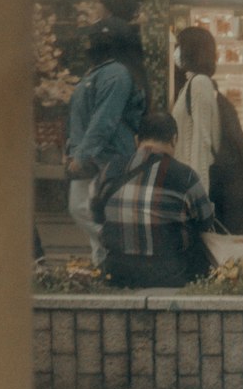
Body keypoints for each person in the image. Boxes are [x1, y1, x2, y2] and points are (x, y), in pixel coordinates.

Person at [90, 105, 222, 289]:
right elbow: (206, 222)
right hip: (171, 274)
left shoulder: (109, 170)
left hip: (117, 273)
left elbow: (96, 215)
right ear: (174, 140)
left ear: (137, 140)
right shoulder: (186, 176)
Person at [65, 0, 153, 239]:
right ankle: (107, 261)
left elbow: (105, 118)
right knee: (92, 210)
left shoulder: (114, 73)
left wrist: (81, 155)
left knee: (88, 210)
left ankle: (117, 248)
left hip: (105, 156)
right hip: (97, 154)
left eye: (97, 4)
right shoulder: (110, 69)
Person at [171, 20, 243, 230]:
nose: (175, 52)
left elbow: (202, 140)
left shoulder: (199, 84)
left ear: (189, 50)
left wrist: (199, 198)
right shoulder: (192, 84)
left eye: (179, 46)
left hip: (195, 184)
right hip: (189, 181)